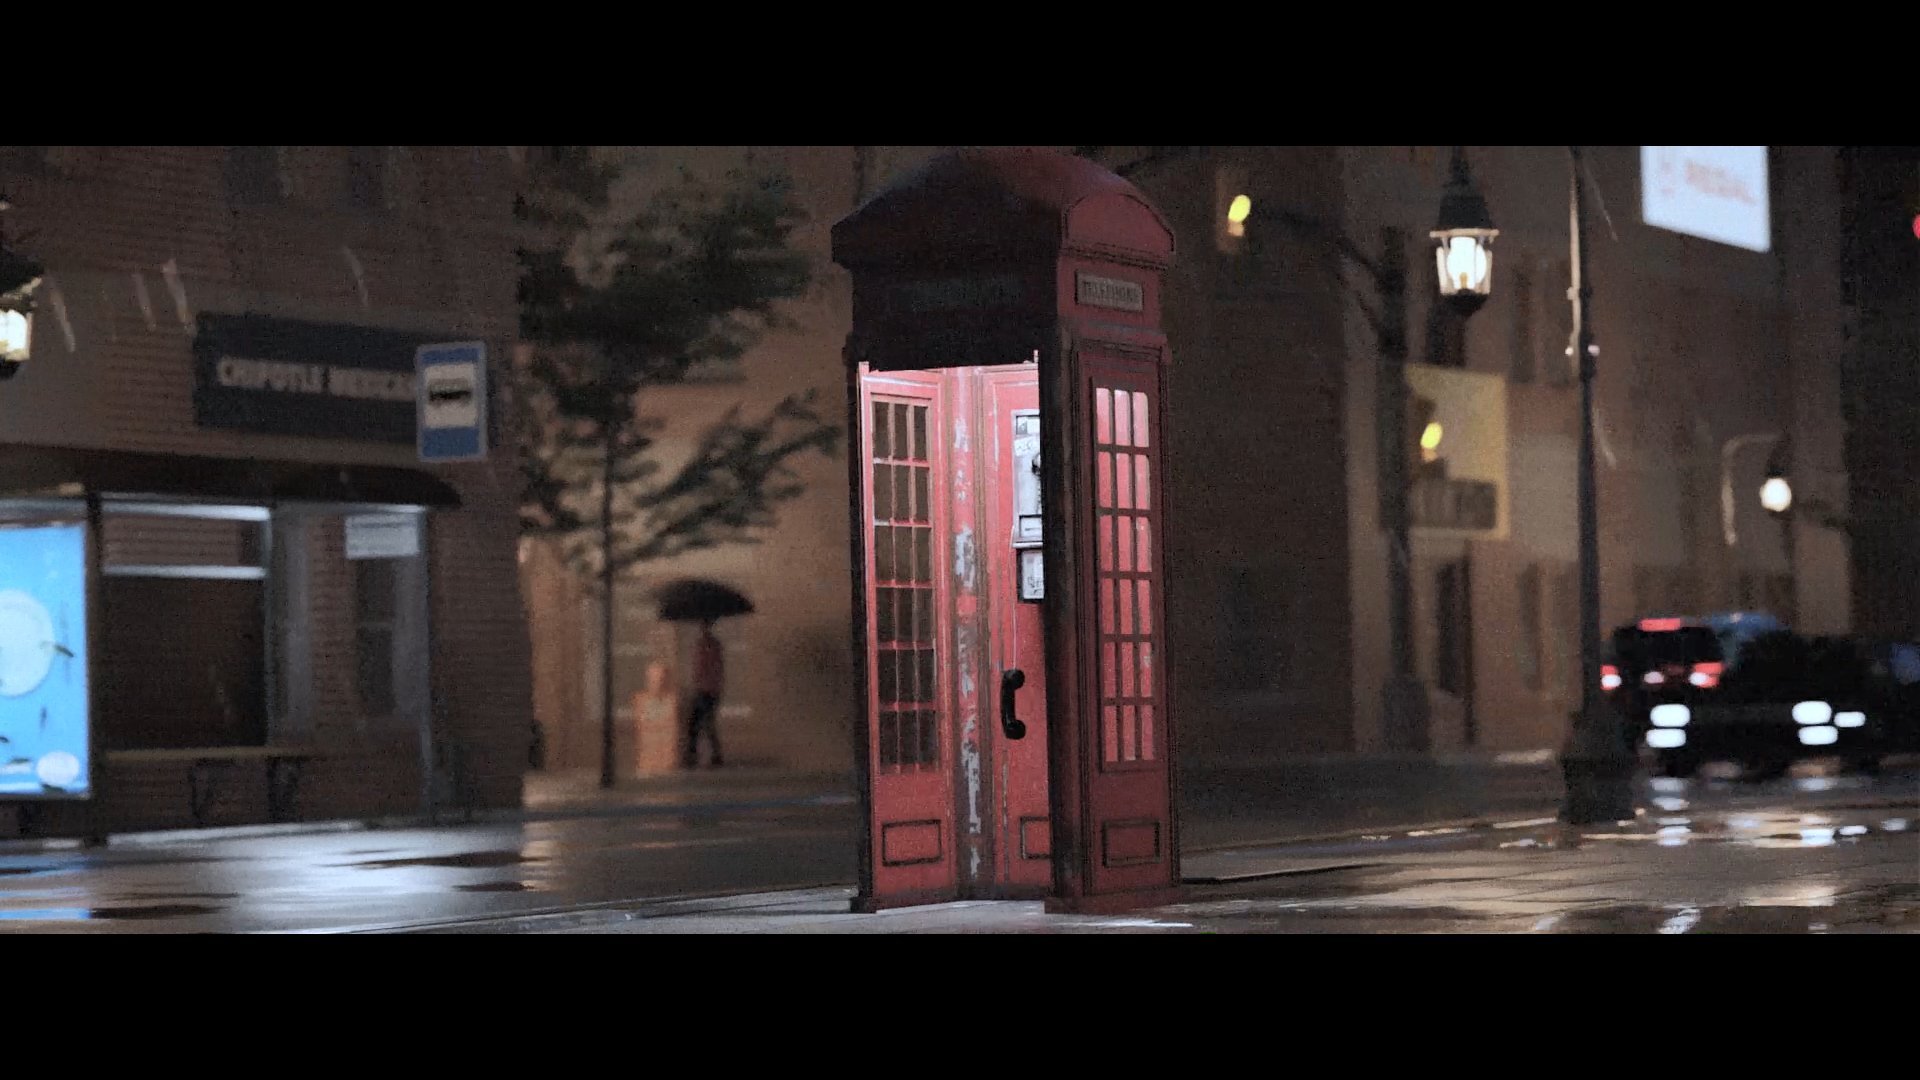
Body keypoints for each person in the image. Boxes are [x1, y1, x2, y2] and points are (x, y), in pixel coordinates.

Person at [684, 621, 726, 769]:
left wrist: (698, 681)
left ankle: (697, 755)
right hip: (707, 689)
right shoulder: (707, 645)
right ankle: (710, 755)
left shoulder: (708, 646)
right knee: (702, 724)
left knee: (700, 723)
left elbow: (704, 668)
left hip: (706, 690)